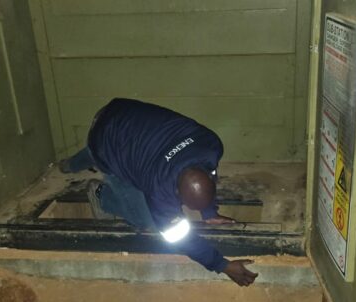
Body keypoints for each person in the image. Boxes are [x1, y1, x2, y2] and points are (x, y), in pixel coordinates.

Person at [60, 98, 258, 287]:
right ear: (176, 192)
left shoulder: (211, 145)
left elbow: (208, 181)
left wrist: (209, 212)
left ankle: (70, 164)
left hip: (123, 112)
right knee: (145, 220)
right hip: (106, 135)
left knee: (114, 146)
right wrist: (222, 265)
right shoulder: (159, 188)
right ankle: (101, 193)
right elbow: (180, 238)